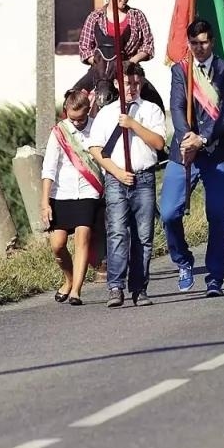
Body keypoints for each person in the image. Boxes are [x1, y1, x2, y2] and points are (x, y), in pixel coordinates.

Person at [161, 19, 224, 298]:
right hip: (183, 151)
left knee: (218, 214)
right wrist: (187, 137)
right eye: (194, 43)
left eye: (204, 42)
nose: (199, 48)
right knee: (169, 212)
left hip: (215, 151)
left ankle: (215, 276)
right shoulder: (181, 70)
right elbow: (177, 106)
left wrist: (203, 138)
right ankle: (183, 261)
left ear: (213, 41)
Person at [88, 63, 168, 308]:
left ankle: (139, 287)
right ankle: (115, 286)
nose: (131, 88)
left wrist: (133, 125)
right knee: (117, 232)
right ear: (116, 84)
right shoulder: (107, 113)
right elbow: (96, 149)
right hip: (116, 178)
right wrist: (118, 173)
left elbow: (158, 142)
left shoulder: (151, 110)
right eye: (126, 83)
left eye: (135, 83)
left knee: (143, 236)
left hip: (143, 177)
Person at [39, 89, 101, 306]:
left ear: (88, 110)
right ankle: (69, 279)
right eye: (71, 118)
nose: (75, 123)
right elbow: (49, 168)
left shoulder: (97, 127)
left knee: (83, 238)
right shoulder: (59, 132)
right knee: (57, 244)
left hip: (87, 192)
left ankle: (76, 290)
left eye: (80, 119)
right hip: (61, 193)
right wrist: (45, 202)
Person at [74, 0, 164, 111]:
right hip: (100, 71)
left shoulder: (137, 16)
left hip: (129, 69)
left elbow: (148, 45)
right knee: (73, 99)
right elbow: (84, 48)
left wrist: (132, 61)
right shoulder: (95, 17)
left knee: (154, 98)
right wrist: (100, 62)